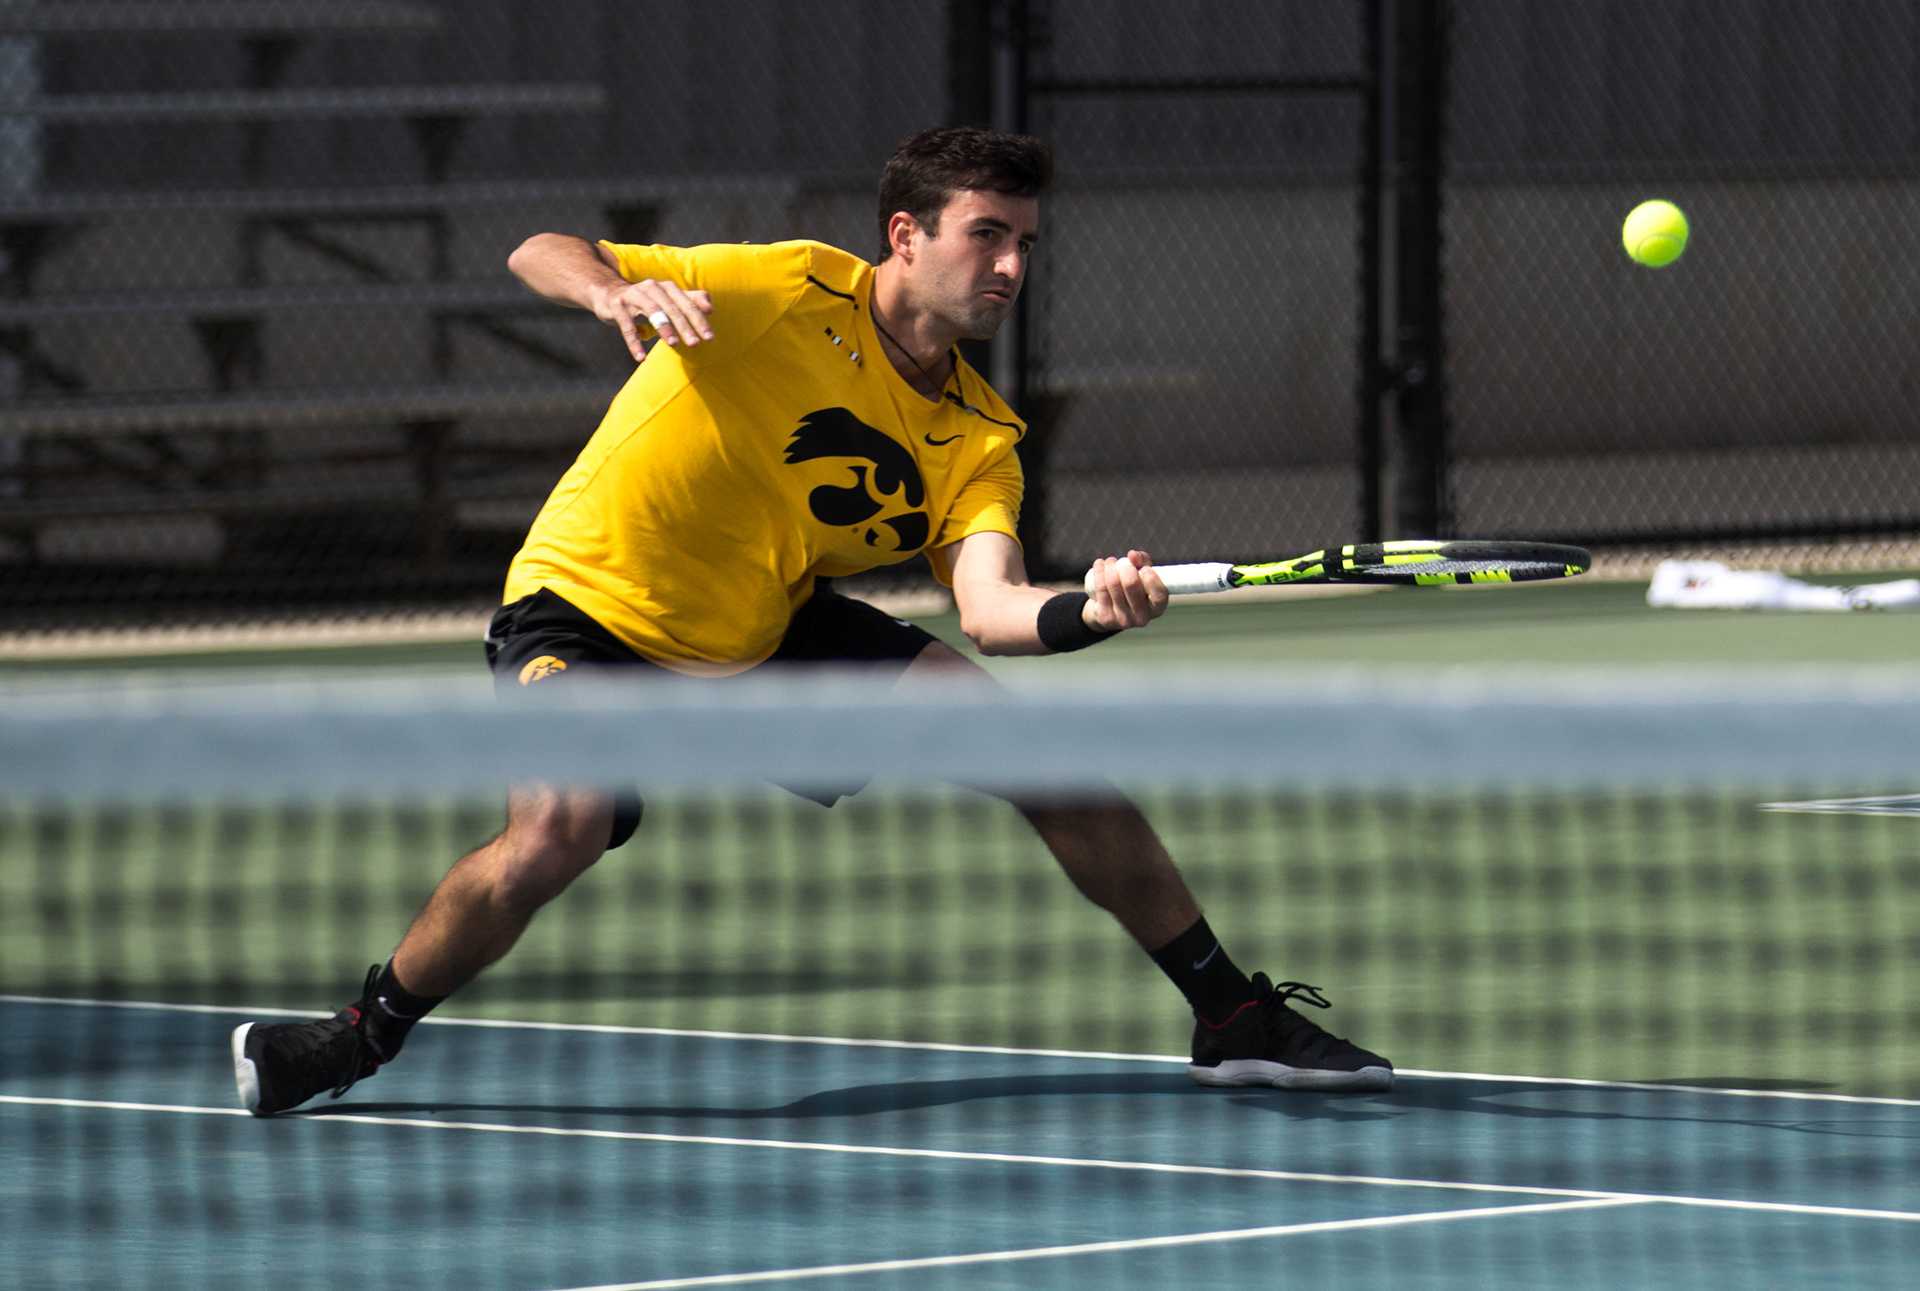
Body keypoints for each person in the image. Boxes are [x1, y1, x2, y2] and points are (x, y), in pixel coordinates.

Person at [230, 127, 1391, 1116]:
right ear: (906, 236)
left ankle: (1230, 1012)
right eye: (986, 233)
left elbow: (991, 609)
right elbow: (537, 246)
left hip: (766, 631)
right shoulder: (784, 288)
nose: (1010, 265)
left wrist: (1091, 610)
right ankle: (360, 1032)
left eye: (1025, 242)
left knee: (1047, 763)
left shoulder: (979, 439)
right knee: (560, 827)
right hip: (588, 608)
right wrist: (611, 289)